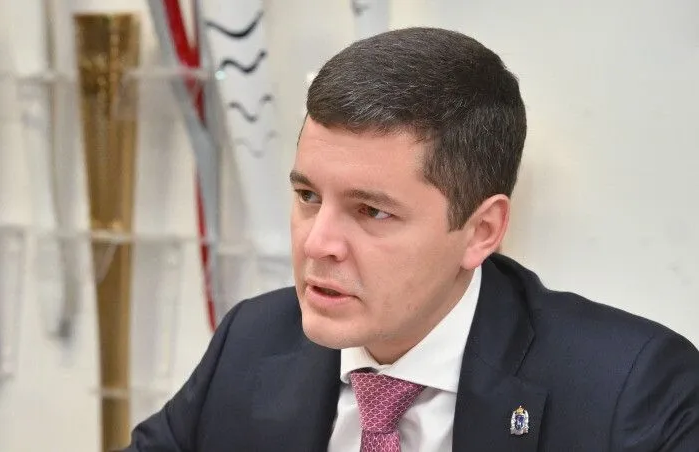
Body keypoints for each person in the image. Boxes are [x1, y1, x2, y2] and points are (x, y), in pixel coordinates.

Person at [122, 27, 699, 451]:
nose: (317, 244)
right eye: (308, 196)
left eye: (371, 211)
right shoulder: (251, 342)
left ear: (481, 231)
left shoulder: (629, 388)